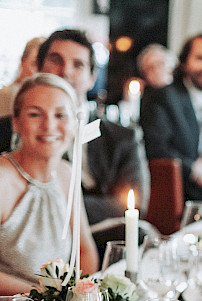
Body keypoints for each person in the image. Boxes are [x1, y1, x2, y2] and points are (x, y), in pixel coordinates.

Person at [0, 30, 150, 224]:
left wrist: (59, 205)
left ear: (92, 78)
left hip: (100, 235)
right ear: (38, 67)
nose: (65, 71)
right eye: (56, 60)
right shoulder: (7, 129)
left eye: (78, 65)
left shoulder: (123, 137)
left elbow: (132, 205)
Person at [0, 74, 98, 294]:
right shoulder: (2, 178)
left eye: (61, 115)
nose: (49, 125)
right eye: (35, 114)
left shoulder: (66, 173)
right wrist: (45, 298)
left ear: (74, 124)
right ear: (16, 122)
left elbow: (85, 251)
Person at [141, 33, 202, 204]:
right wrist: (193, 171)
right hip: (176, 200)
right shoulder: (163, 96)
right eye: (201, 58)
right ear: (184, 62)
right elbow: (156, 149)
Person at [0, 37, 45, 118]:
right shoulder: (8, 95)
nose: (39, 72)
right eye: (34, 64)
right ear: (22, 61)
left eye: (43, 66)